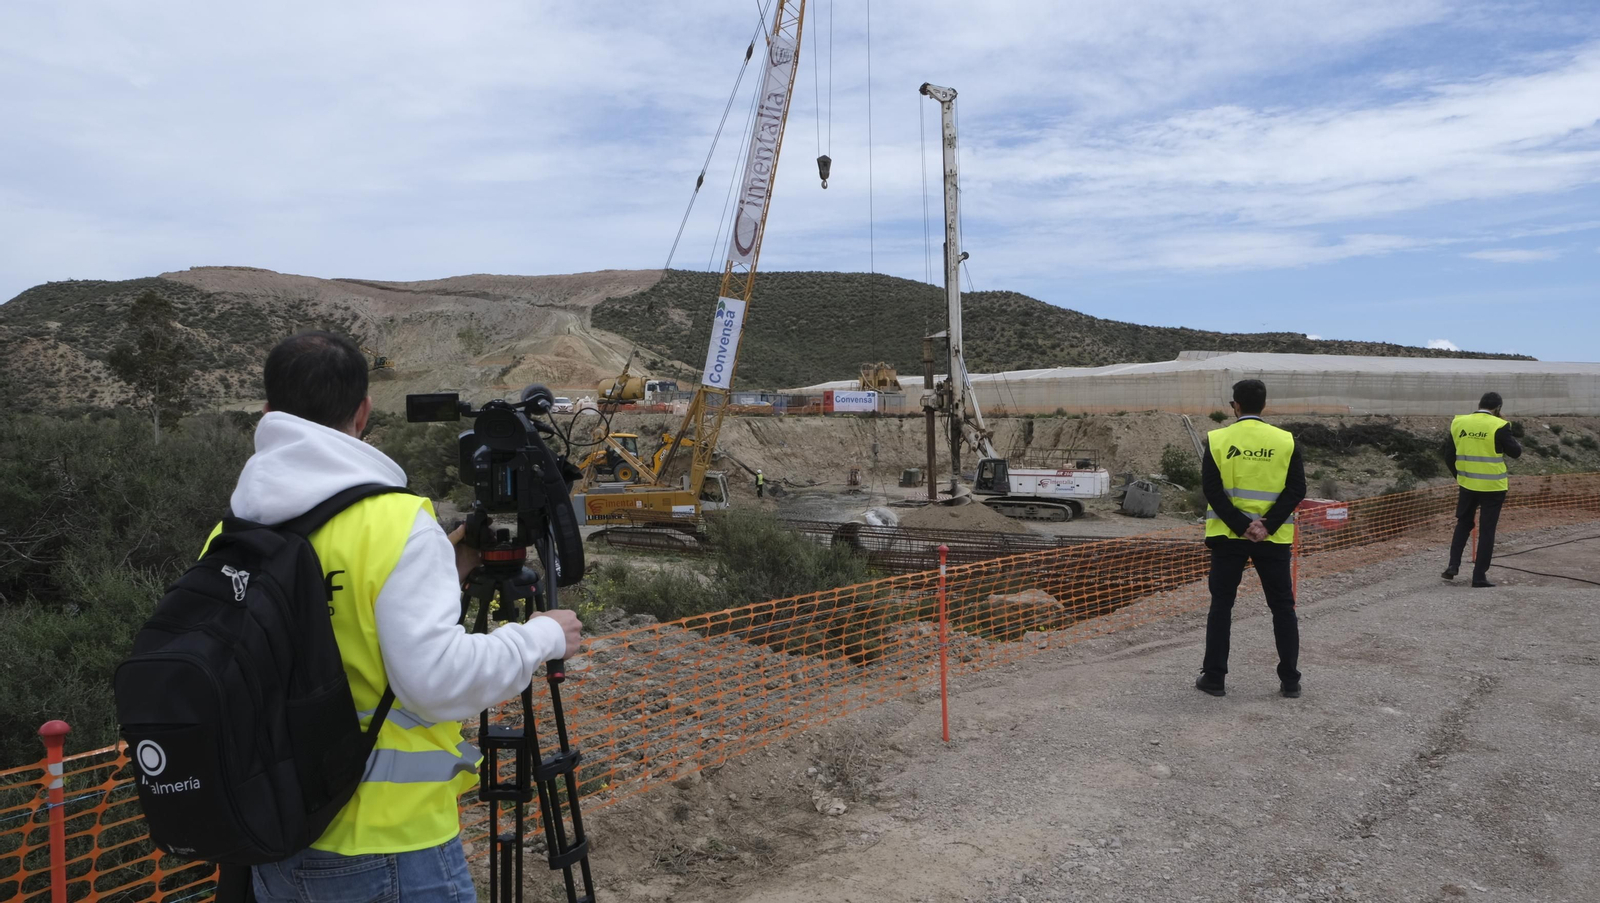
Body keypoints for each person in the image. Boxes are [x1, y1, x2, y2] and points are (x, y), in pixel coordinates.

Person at [238, 331, 583, 903]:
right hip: (388, 847)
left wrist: (448, 566)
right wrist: (541, 636)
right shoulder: (394, 524)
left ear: (270, 412)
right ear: (363, 412)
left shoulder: (236, 530)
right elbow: (437, 682)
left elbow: (332, 611)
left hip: (273, 836)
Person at [1196, 378, 1306, 699]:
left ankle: (1214, 678)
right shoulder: (1285, 441)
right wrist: (1266, 526)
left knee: (1222, 606)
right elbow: (1297, 489)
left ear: (1236, 405)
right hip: (1273, 539)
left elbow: (1212, 490)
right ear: (1264, 405)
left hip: (1227, 537)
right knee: (1283, 607)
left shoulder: (1217, 439)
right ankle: (1290, 681)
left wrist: (1242, 525)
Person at [1440, 391, 1522, 588]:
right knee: (1487, 530)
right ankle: (1478, 577)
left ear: (1479, 404)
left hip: (1467, 485)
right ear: (1498, 408)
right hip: (1493, 487)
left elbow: (1449, 456)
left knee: (1463, 523)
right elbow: (1516, 452)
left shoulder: (1459, 422)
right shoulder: (1500, 425)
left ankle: (1453, 565)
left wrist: (1461, 477)